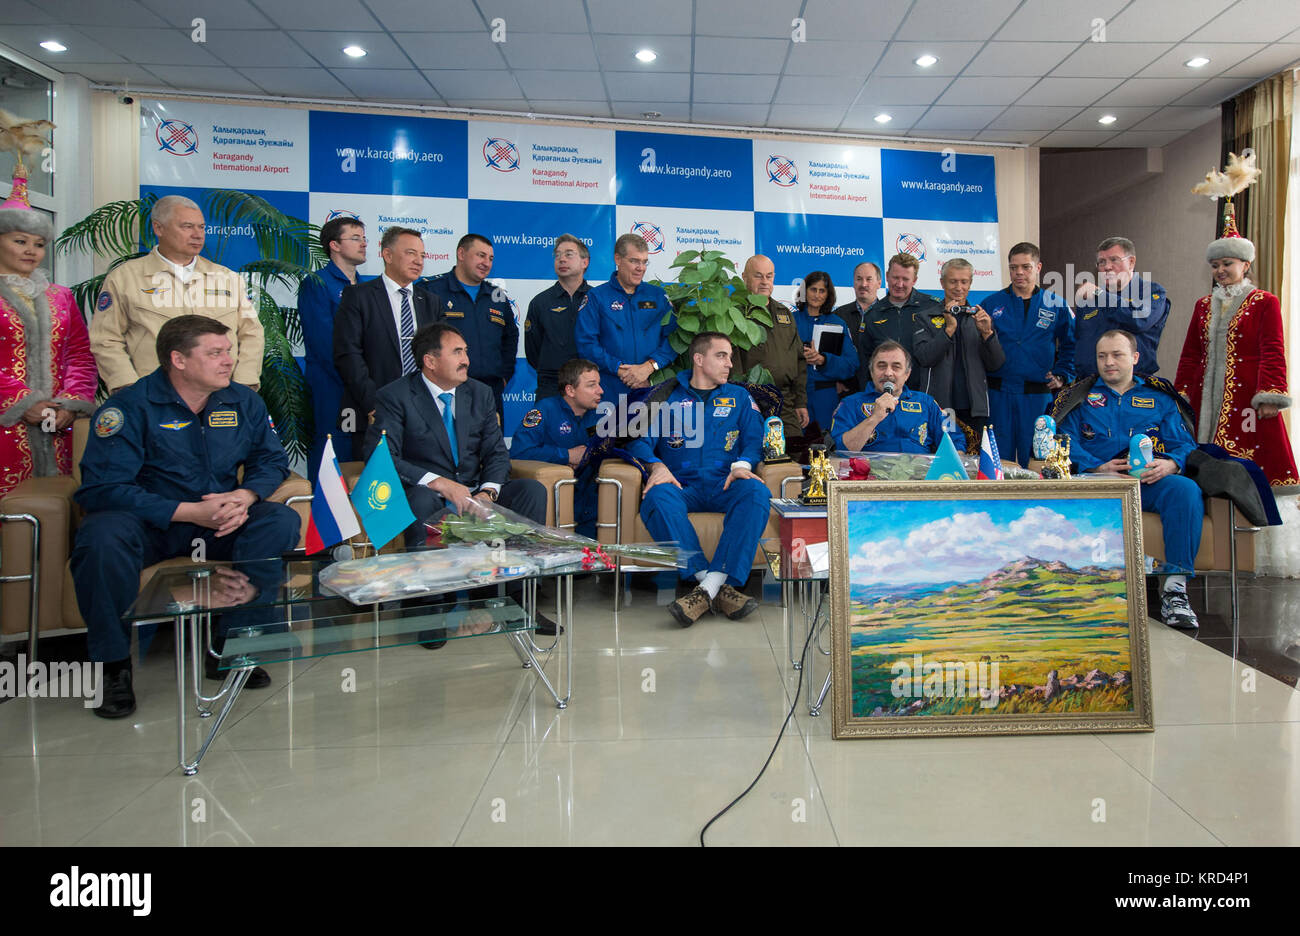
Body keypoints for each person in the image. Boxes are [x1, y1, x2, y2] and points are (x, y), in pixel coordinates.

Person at [71, 315, 300, 718]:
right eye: (214, 353)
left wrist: (245, 496)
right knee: (101, 537)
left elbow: (271, 460)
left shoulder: (243, 401)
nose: (228, 361)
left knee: (278, 521)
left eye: (228, 351)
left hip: (222, 523)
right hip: (152, 525)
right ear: (178, 360)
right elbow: (102, 488)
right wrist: (189, 511)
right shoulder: (128, 407)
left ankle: (231, 647)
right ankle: (111, 668)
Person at [367, 322, 556, 636]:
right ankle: (431, 609)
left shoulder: (479, 393)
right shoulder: (395, 396)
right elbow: (384, 457)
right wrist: (440, 483)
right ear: (430, 361)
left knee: (530, 491)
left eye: (466, 351)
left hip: (475, 492)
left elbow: (496, 452)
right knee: (423, 499)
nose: (466, 358)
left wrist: (487, 493)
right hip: (428, 492)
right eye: (457, 352)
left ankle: (512, 598)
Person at [1053, 330, 1202, 630]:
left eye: (1117, 355)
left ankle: (1175, 592)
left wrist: (1172, 463)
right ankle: (1081, 594)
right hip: (1096, 484)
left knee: (1185, 490)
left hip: (1148, 483)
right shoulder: (1078, 397)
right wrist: (1097, 468)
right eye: (1102, 356)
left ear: (1134, 358)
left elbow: (1185, 444)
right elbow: (1062, 440)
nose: (1109, 362)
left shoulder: (1160, 398)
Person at [1174, 214, 1298, 574]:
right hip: (1204, 402)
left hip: (1247, 402)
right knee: (1207, 469)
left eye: (1227, 263)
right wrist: (1182, 397)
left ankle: (1263, 556)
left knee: (1258, 471)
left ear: (1245, 264)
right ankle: (1216, 552)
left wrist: (1270, 394)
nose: (1220, 271)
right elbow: (1190, 355)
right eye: (1215, 265)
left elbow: (1273, 348)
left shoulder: (1264, 302)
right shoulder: (1202, 305)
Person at [635, 332, 769, 628]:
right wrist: (656, 465)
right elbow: (640, 441)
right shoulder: (666, 394)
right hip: (683, 485)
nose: (729, 364)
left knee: (756, 494)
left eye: (730, 357)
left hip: (726, 482)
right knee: (657, 497)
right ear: (698, 359)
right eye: (721, 356)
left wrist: (743, 465)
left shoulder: (739, 397)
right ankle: (713, 586)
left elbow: (755, 439)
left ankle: (703, 591)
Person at [89, 194, 263, 393]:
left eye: (201, 227)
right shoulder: (124, 278)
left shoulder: (227, 278)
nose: (198, 235)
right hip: (153, 396)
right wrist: (128, 388)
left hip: (220, 396)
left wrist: (244, 384)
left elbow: (252, 333)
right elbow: (105, 339)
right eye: (187, 226)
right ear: (158, 228)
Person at [0, 162, 97, 497]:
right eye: (20, 240)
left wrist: (71, 404)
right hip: (5, 425)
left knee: (57, 513)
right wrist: (20, 402)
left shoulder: (61, 296)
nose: (31, 250)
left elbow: (80, 356)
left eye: (39, 244)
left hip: (58, 424)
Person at [332, 226, 435, 455]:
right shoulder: (358, 296)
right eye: (411, 253)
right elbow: (348, 355)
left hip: (425, 413)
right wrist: (373, 403)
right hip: (375, 411)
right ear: (387, 255)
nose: (418, 261)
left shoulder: (430, 302)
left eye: (422, 255)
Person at [982, 242, 1075, 466]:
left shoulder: (1056, 305)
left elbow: (1072, 344)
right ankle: (997, 502)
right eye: (1013, 268)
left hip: (1037, 396)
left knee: (1037, 458)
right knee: (997, 461)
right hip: (998, 394)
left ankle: (1034, 502)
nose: (1019, 273)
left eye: (1026, 267)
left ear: (1038, 267)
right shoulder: (991, 303)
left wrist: (1062, 374)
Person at [297, 215, 370, 476]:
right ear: (334, 245)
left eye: (364, 238)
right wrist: (357, 376)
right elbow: (323, 343)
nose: (363, 244)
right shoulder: (316, 283)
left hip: (364, 388)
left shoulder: (367, 287)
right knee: (331, 458)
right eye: (355, 238)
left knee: (364, 460)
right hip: (332, 387)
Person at [574, 233, 676, 409]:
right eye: (634, 261)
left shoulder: (659, 296)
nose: (641, 268)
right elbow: (586, 344)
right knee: (610, 437)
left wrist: (649, 367)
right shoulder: (596, 298)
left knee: (649, 437)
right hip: (608, 392)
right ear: (618, 259)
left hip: (651, 388)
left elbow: (674, 339)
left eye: (645, 262)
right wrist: (621, 370)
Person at [422, 234, 517, 418]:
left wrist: (503, 376)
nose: (486, 263)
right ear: (461, 254)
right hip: (447, 390)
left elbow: (510, 338)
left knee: (490, 446)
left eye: (490, 258)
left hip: (490, 392)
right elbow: (423, 341)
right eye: (480, 255)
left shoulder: (497, 296)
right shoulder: (432, 291)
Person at [914, 258, 1005, 444]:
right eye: (953, 281)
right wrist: (948, 330)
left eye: (964, 281)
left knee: (973, 464)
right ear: (942, 283)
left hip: (974, 408)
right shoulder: (925, 317)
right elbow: (924, 357)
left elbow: (996, 364)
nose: (958, 287)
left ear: (970, 284)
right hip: (940, 407)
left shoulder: (980, 317)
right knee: (944, 462)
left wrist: (987, 333)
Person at [511, 358, 603, 537]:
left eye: (599, 384)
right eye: (592, 385)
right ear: (570, 390)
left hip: (592, 504)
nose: (600, 391)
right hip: (553, 502)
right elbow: (519, 452)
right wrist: (566, 455)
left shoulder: (600, 416)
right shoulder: (543, 411)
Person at [733, 255, 808, 450]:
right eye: (758, 276)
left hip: (785, 402)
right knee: (753, 456)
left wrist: (800, 401)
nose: (765, 282)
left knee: (795, 456)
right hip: (749, 402)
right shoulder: (734, 314)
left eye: (769, 276)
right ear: (745, 277)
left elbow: (799, 360)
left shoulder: (785, 314)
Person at [1073, 236, 1170, 378]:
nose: (1107, 267)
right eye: (1102, 262)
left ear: (1131, 262)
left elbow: (1138, 319)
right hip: (1092, 386)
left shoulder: (1151, 291)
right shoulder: (1090, 299)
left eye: (1114, 260)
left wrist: (1099, 295)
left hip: (1134, 386)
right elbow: (1078, 342)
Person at [851, 253, 946, 392]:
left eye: (905, 279)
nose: (899, 284)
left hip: (926, 394)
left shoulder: (932, 307)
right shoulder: (873, 314)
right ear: (887, 276)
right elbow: (865, 361)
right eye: (895, 277)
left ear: (914, 280)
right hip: (887, 394)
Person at [830, 341, 945, 454]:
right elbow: (840, 450)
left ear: (907, 374)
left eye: (896, 367)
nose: (888, 373)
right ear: (871, 372)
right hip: (870, 471)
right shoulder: (850, 404)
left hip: (919, 471)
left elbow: (953, 440)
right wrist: (874, 418)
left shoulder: (926, 403)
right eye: (881, 366)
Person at [525, 234, 591, 401]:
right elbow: (533, 352)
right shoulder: (539, 302)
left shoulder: (598, 299)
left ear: (585, 262)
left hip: (590, 386)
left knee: (590, 429)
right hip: (550, 387)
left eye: (569, 254)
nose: (562, 259)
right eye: (558, 255)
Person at [792, 270, 857, 438]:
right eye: (813, 289)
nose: (817, 295)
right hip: (794, 398)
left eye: (822, 291)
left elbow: (851, 365)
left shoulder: (837, 323)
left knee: (825, 450)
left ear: (828, 295)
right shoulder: (791, 321)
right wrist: (800, 357)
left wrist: (824, 360)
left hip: (825, 398)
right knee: (795, 449)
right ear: (805, 291)